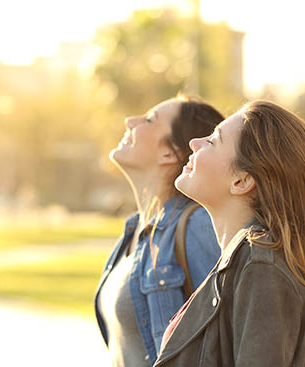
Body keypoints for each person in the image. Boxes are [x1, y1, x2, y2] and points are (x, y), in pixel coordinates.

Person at [155, 100, 305, 367]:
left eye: (213, 140)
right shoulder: (242, 261)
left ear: (241, 181)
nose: (195, 142)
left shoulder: (261, 265)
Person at [94, 95, 225, 366]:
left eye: (149, 119)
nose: (130, 121)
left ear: (171, 153)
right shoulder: (133, 232)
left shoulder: (195, 227)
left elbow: (223, 343)